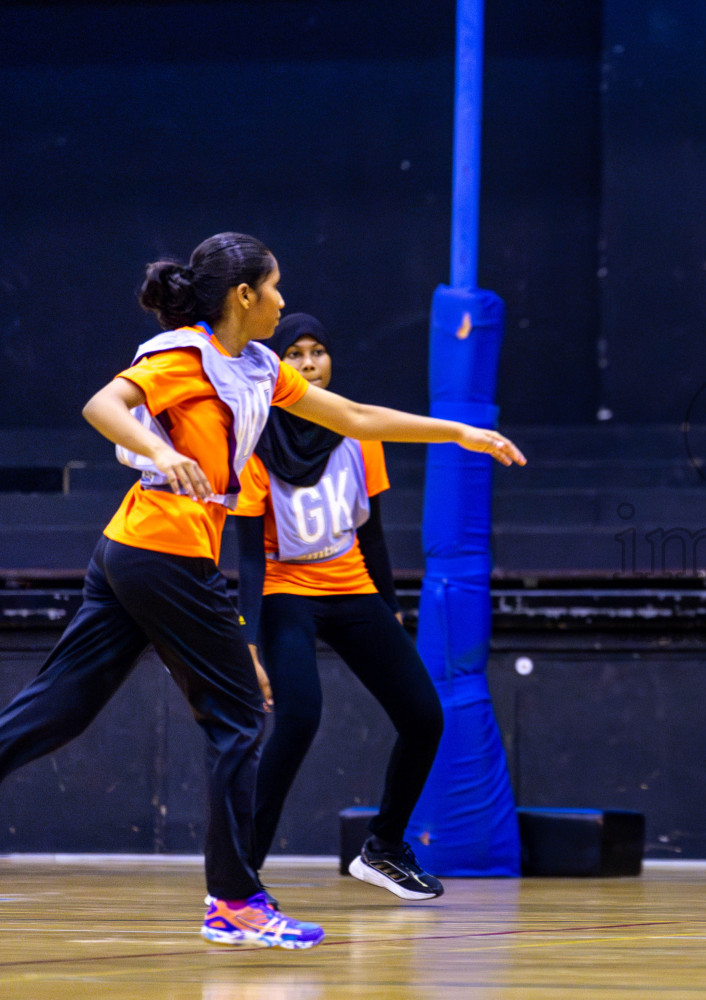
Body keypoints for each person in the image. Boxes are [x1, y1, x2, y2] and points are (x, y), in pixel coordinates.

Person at [0, 233, 523, 949]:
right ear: (245, 295)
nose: (283, 299)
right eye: (275, 287)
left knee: (62, 707)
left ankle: (237, 897)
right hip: (165, 553)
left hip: (130, 550)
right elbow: (104, 405)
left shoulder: (258, 367)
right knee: (240, 716)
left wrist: (460, 432)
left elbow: (355, 418)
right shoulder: (183, 355)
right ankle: (236, 901)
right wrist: (160, 449)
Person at [233, 311, 444, 901]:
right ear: (277, 366)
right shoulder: (254, 436)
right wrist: (248, 641)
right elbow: (247, 556)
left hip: (352, 585)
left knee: (425, 717)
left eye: (317, 351)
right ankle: (241, 872)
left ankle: (382, 849)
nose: (308, 363)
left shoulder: (359, 430)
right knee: (298, 719)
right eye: (294, 353)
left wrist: (392, 608)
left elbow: (373, 534)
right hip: (283, 591)